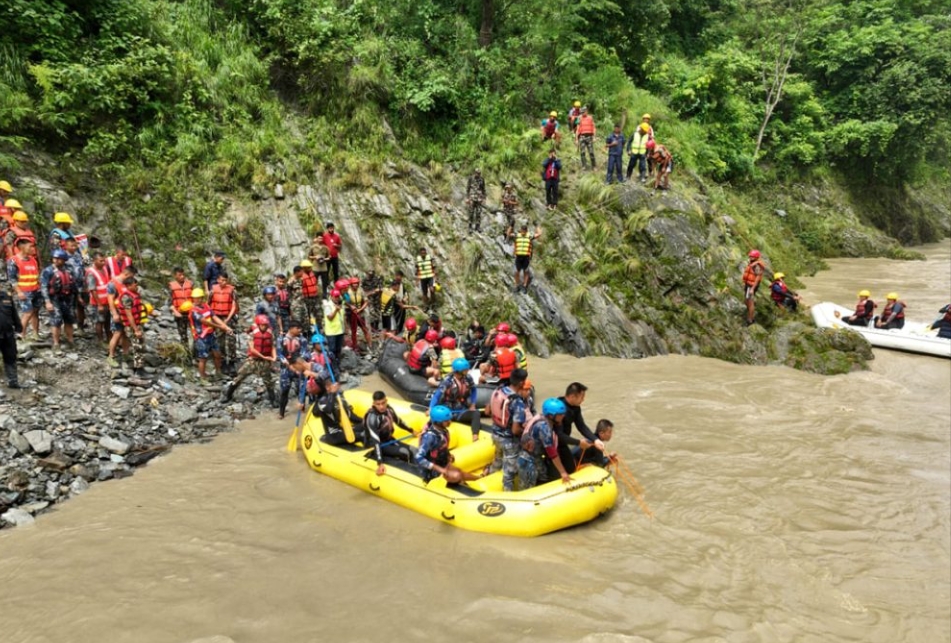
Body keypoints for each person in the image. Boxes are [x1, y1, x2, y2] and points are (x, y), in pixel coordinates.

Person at [414, 405, 481, 484]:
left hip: (442, 463)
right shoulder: (429, 437)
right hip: (432, 470)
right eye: (446, 421)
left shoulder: (444, 432)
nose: (450, 422)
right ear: (438, 422)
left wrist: (448, 455)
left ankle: (480, 478)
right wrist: (440, 470)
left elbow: (442, 448)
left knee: (459, 472)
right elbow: (419, 458)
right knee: (457, 475)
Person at [488, 368, 530, 491]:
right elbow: (515, 430)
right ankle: (508, 495)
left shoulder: (499, 391)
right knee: (509, 473)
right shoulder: (517, 402)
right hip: (508, 441)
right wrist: (527, 433)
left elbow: (488, 411)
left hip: (495, 434)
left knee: (497, 461)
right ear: (522, 383)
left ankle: (488, 483)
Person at [517, 398, 573, 488]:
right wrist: (563, 472)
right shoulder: (543, 427)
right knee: (527, 488)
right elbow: (552, 452)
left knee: (544, 480)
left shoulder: (541, 417)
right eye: (560, 414)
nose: (563, 416)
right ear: (551, 416)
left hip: (537, 459)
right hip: (528, 461)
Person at [224, 314, 277, 405]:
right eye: (262, 325)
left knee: (268, 380)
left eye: (265, 325)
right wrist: (264, 357)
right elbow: (252, 349)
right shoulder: (252, 334)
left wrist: (274, 357)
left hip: (265, 361)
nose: (264, 327)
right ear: (258, 324)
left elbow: (272, 347)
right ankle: (228, 395)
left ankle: (273, 400)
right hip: (253, 360)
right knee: (240, 376)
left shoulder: (270, 333)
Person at [362, 391, 417, 476]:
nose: (381, 406)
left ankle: (422, 468)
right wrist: (380, 463)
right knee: (404, 452)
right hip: (376, 444)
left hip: (388, 439)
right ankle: (411, 473)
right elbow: (376, 441)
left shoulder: (389, 410)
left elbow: (399, 421)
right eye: (378, 404)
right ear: (373, 404)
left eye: (383, 403)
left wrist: (412, 431)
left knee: (414, 450)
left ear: (386, 400)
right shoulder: (372, 418)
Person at [556, 381, 603, 473]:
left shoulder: (576, 408)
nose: (583, 400)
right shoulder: (559, 409)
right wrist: (578, 443)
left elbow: (581, 426)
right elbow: (559, 434)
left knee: (571, 468)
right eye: (582, 397)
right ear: (573, 396)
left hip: (563, 443)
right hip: (554, 442)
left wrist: (596, 440)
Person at [188, 287, 233, 379]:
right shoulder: (194, 311)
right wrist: (220, 327)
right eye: (194, 298)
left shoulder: (206, 306)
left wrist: (226, 327)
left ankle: (218, 373)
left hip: (210, 334)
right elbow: (205, 322)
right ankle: (202, 377)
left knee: (217, 354)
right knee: (203, 358)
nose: (196, 300)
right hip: (200, 337)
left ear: (202, 298)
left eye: (198, 298)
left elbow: (214, 317)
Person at [40, 249, 77, 354]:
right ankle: (56, 344)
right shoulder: (48, 271)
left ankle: (70, 340)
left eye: (59, 259)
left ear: (64, 260)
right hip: (54, 299)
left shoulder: (69, 269)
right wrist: (47, 302)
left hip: (68, 298)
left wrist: (77, 298)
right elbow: (43, 287)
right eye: (54, 258)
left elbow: (74, 284)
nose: (56, 260)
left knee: (69, 320)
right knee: (56, 321)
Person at [7, 237, 42, 340]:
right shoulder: (13, 261)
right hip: (24, 291)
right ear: (22, 247)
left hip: (35, 289)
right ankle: (21, 335)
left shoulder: (33, 260)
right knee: (27, 313)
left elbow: (36, 274)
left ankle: (35, 334)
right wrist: (19, 292)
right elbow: (12, 279)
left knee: (35, 311)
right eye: (30, 246)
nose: (33, 249)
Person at [210, 272, 239, 375]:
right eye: (221, 280)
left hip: (228, 317)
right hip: (216, 317)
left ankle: (231, 362)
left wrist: (228, 319)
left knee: (231, 339)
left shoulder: (232, 290)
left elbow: (234, 305)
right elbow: (208, 305)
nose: (223, 282)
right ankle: (222, 362)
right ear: (217, 280)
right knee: (219, 340)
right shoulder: (213, 290)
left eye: (225, 280)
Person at [277, 320, 307, 419]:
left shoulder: (302, 339)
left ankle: (302, 411)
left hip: (298, 368)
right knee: (285, 390)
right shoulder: (281, 339)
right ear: (291, 328)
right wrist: (286, 363)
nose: (300, 330)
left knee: (301, 388)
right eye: (297, 328)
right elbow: (279, 353)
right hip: (286, 369)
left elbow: (304, 353)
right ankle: (281, 413)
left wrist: (298, 364)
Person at [86, 251, 111, 343]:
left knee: (108, 322)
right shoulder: (91, 272)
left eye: (104, 261)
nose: (103, 262)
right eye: (101, 261)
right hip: (97, 303)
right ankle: (100, 341)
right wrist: (99, 304)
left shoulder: (104, 268)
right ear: (95, 261)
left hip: (107, 301)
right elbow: (93, 290)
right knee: (99, 321)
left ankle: (109, 339)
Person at [509, 223, 542, 294]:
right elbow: (508, 234)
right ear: (521, 230)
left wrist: (537, 226)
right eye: (522, 229)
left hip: (526, 257)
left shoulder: (529, 236)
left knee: (526, 271)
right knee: (516, 272)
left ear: (526, 230)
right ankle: (517, 285)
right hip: (518, 256)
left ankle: (524, 286)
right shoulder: (517, 235)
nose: (523, 231)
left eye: (525, 230)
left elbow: (539, 234)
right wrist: (511, 226)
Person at [343, 276, 373, 354]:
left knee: (365, 329)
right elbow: (346, 302)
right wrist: (351, 307)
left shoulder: (360, 291)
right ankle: (354, 347)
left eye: (357, 284)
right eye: (354, 284)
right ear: (351, 284)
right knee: (354, 331)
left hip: (360, 312)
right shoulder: (348, 292)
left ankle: (370, 345)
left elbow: (366, 301)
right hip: (351, 314)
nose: (355, 285)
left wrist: (360, 309)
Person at [0, 286, 22, 388]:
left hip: (8, 334)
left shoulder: (6, 297)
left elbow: (14, 313)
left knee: (11, 357)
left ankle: (13, 382)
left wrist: (18, 327)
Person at [168, 267, 194, 347]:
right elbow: (170, 302)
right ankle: (187, 355)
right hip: (180, 314)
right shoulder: (171, 286)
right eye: (180, 275)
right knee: (183, 335)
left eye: (183, 275)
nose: (182, 276)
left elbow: (196, 298)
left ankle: (197, 353)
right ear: (175, 276)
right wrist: (175, 312)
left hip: (191, 313)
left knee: (196, 333)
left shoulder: (190, 284)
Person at [322, 288, 346, 369]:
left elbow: (342, 317)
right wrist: (336, 310)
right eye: (335, 296)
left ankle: (337, 365)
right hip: (331, 332)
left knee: (338, 350)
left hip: (340, 331)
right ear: (331, 296)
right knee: (332, 350)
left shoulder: (340, 304)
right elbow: (330, 317)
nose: (337, 298)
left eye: (338, 296)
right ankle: (332, 367)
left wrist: (346, 329)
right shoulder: (328, 305)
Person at [742, 249, 766, 326]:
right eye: (750, 256)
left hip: (751, 286)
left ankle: (750, 320)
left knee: (750, 302)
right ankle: (750, 316)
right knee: (747, 301)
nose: (751, 257)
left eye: (753, 256)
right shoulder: (752, 263)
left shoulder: (757, 265)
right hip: (748, 284)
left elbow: (758, 278)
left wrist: (752, 289)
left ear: (756, 257)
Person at [299, 259, 322, 334]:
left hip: (315, 297)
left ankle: (319, 330)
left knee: (318, 314)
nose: (310, 268)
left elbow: (316, 284)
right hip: (307, 299)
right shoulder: (301, 277)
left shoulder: (312, 274)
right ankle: (310, 331)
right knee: (308, 315)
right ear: (304, 268)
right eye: (308, 267)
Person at [465, 169, 486, 233]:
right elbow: (468, 188)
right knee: (471, 212)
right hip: (472, 197)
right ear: (474, 173)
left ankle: (477, 226)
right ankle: (470, 227)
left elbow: (483, 189)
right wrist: (467, 198)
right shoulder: (471, 178)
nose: (478, 174)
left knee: (478, 212)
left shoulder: (482, 179)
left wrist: (484, 198)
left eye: (479, 173)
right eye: (477, 173)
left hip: (479, 198)